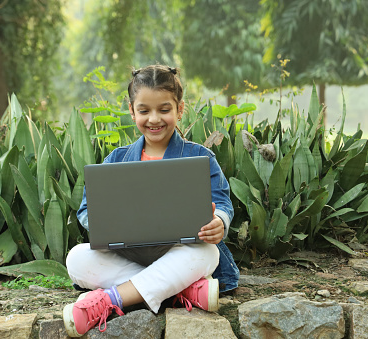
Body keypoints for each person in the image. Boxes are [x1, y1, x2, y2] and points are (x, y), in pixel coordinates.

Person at [63, 64, 239, 337]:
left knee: (208, 252)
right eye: (144, 110)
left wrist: (219, 221)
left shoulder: (200, 157)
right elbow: (87, 210)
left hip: (181, 252)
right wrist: (104, 221)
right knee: (76, 259)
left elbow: (222, 203)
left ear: (180, 110)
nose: (154, 119)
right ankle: (183, 290)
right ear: (132, 111)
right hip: (129, 254)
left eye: (164, 110)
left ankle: (112, 300)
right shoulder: (117, 159)